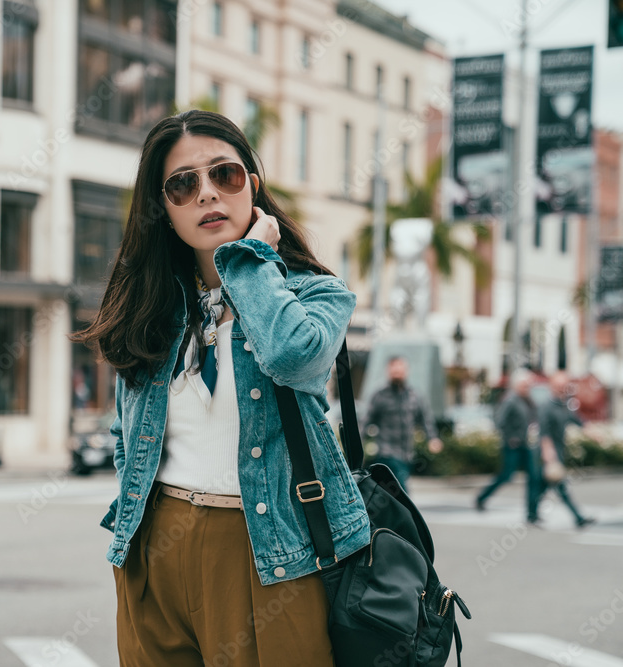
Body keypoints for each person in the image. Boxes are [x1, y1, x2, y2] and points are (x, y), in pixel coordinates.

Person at [72, 110, 369, 666]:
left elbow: (291, 356)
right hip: (154, 550)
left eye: (224, 175)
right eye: (182, 185)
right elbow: (125, 432)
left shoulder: (316, 295)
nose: (207, 193)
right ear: (164, 210)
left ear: (252, 187)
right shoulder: (154, 311)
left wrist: (249, 261)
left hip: (267, 552)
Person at [362, 355, 443, 494]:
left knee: (392, 493)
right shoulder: (380, 395)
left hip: (407, 454)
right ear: (388, 371)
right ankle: (407, 508)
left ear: (406, 371)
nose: (397, 373)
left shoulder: (414, 395)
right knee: (403, 493)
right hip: (386, 453)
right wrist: (356, 445)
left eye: (400, 370)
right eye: (394, 370)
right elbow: (365, 421)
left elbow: (425, 419)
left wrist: (432, 438)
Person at [475, 369, 541, 521]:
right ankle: (482, 497)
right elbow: (499, 421)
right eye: (525, 385)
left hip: (527, 444)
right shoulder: (510, 400)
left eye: (529, 385)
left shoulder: (529, 401)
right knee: (506, 475)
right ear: (517, 385)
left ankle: (532, 513)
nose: (528, 388)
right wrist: (510, 437)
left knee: (534, 476)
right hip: (513, 445)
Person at [535, 371, 595, 528]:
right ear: (552, 386)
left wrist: (592, 432)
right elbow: (543, 432)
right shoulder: (546, 406)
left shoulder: (564, 405)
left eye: (565, 385)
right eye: (560, 386)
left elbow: (576, 421)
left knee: (542, 486)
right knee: (560, 486)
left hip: (558, 451)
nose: (563, 389)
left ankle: (531, 514)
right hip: (548, 453)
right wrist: (548, 452)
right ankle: (578, 517)